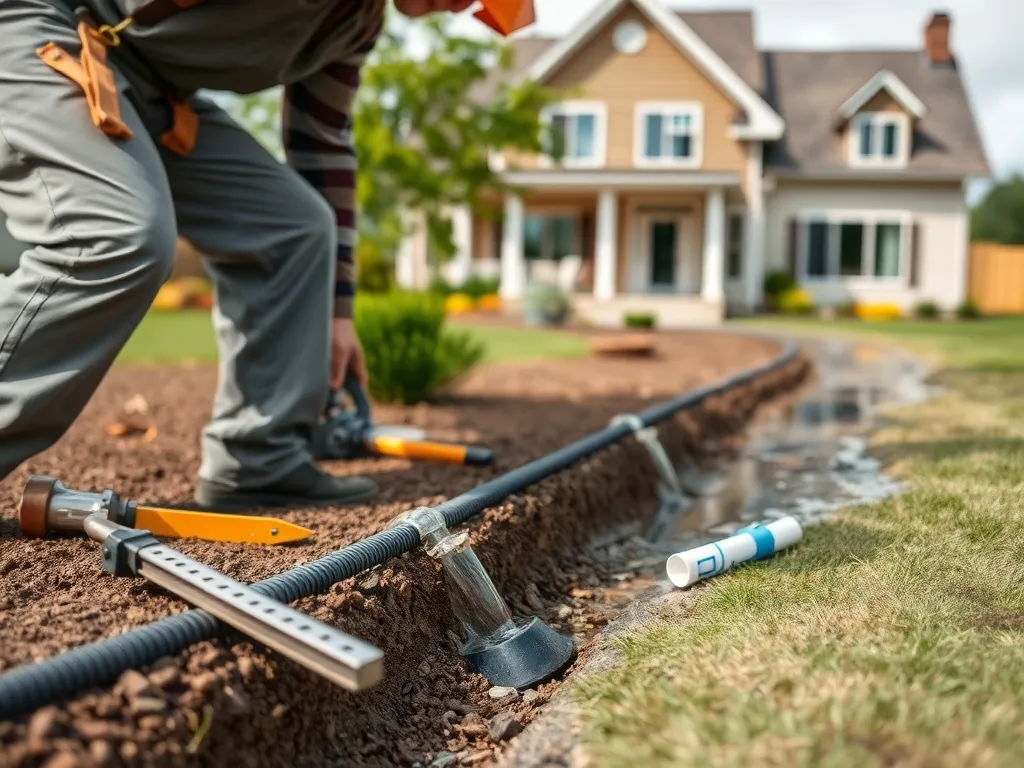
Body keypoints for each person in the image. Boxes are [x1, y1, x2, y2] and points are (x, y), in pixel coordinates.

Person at [0, 0, 478, 512]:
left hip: (153, 89)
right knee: (116, 231)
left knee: (296, 227)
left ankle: (258, 457)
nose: (461, 3)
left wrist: (338, 314)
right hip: (45, 25)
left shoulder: (354, 25)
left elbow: (321, 141)